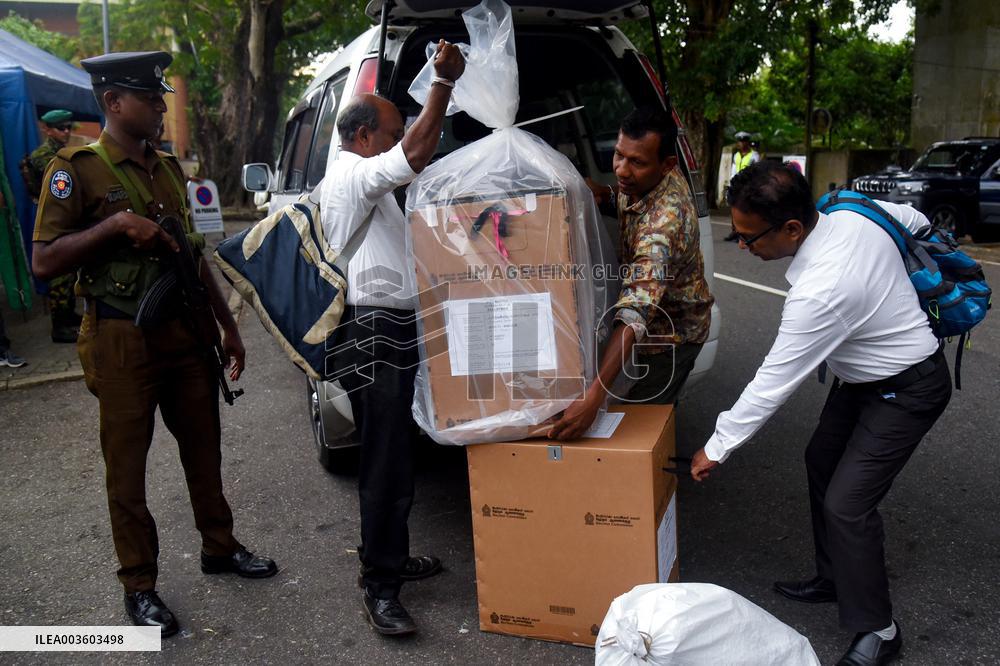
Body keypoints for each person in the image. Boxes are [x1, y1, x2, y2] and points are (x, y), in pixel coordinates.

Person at [31, 51, 277, 638]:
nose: (162, 106)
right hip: (121, 339)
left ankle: (219, 546)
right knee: (127, 469)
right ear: (114, 103)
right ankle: (139, 586)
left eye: (161, 97)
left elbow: (190, 253)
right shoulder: (76, 169)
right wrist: (114, 227)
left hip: (185, 333)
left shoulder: (167, 169)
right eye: (150, 98)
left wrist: (229, 325)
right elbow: (43, 260)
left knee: (204, 447)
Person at [691, 161, 951, 666]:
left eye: (748, 238)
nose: (742, 247)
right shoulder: (849, 209)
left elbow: (772, 384)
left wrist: (716, 447)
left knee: (848, 504)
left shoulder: (823, 290)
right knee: (821, 461)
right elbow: (914, 220)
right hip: (861, 379)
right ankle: (836, 578)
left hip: (909, 387)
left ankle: (880, 630)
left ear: (792, 228)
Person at [320, 40, 465, 636]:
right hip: (372, 331)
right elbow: (414, 153)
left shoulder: (370, 190)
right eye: (391, 130)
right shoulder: (351, 175)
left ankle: (391, 558)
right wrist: (442, 84)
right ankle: (381, 587)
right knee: (385, 463)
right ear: (362, 137)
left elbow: (414, 159)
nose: (400, 138)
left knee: (398, 454)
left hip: (395, 327)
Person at [549, 107, 714, 440]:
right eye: (618, 155)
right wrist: (605, 194)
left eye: (636, 162)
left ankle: (649, 484)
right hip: (647, 327)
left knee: (638, 430)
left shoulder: (664, 225)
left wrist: (594, 394)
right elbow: (624, 192)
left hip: (670, 337)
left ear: (667, 165)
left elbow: (634, 312)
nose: (622, 170)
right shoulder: (642, 180)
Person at [24, 109, 81, 342]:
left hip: (66, 218)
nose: (66, 132)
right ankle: (59, 328)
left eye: (68, 127)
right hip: (53, 221)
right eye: (61, 128)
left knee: (69, 273)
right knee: (60, 275)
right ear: (47, 129)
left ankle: (68, 316)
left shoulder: (62, 153)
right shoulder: (44, 156)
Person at [724, 131, 760, 241]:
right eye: (739, 141)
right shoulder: (737, 155)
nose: (740, 143)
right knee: (734, 208)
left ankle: (743, 234)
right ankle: (734, 231)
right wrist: (730, 184)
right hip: (737, 185)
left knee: (745, 209)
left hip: (748, 186)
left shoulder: (754, 155)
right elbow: (733, 171)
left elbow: (756, 171)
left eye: (743, 141)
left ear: (747, 142)